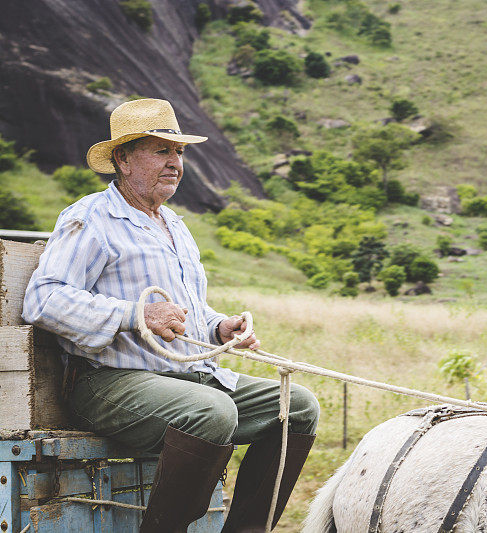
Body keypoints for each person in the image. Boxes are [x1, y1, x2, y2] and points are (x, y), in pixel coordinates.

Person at [22, 98, 320, 532]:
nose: (174, 162)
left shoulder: (175, 224)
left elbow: (185, 310)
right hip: (106, 381)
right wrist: (136, 314)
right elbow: (43, 299)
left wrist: (219, 327)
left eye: (178, 152)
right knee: (212, 412)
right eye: (161, 150)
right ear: (123, 159)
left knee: (297, 407)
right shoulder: (91, 217)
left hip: (184, 380)